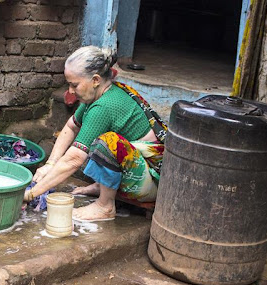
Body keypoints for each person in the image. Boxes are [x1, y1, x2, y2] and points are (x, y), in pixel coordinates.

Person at [23, 46, 167, 222]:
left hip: (152, 183)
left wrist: (31, 193)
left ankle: (105, 206)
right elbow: (71, 127)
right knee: (100, 143)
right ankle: (103, 186)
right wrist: (50, 164)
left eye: (74, 85)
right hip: (139, 169)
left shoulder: (103, 107)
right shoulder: (99, 95)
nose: (70, 91)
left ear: (96, 80)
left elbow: (74, 159)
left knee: (106, 143)